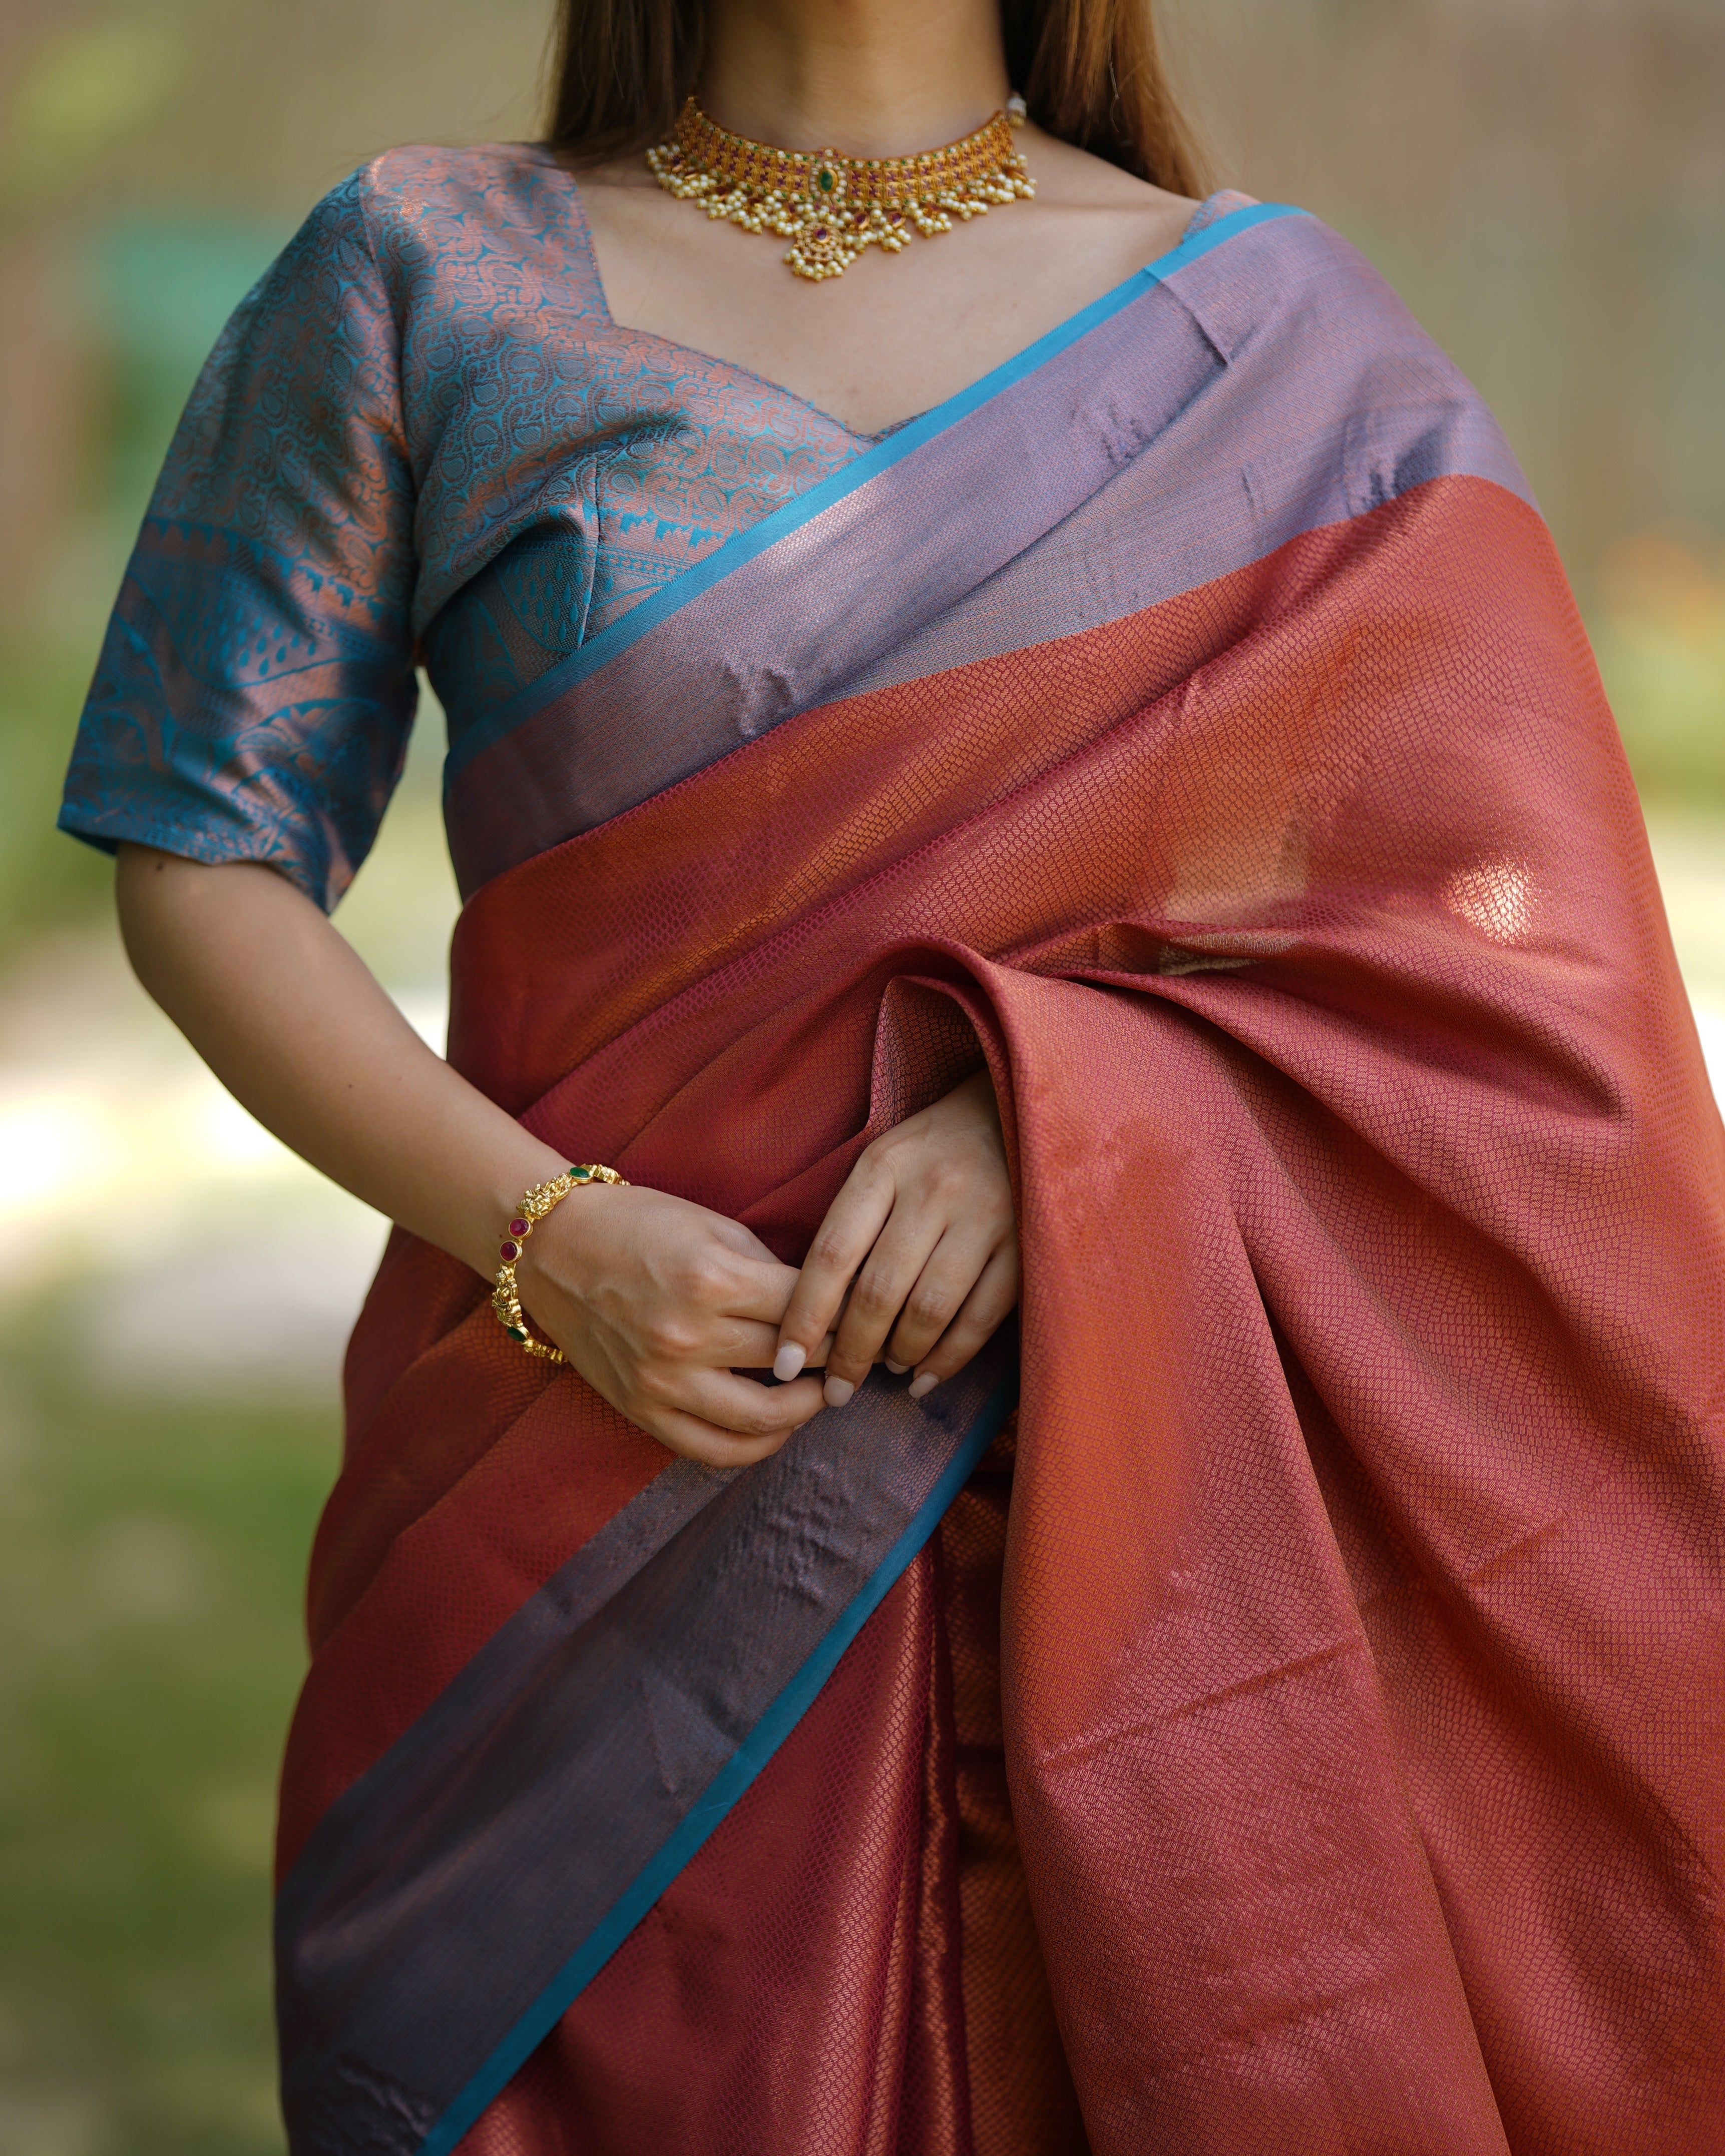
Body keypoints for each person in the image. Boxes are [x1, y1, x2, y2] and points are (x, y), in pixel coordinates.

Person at [58, 0, 1725, 2145]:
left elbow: (1483, 975)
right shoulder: (425, 273)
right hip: (562, 1534)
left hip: (1129, 1546)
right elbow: (205, 854)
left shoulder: (1278, 340)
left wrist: (1073, 1135)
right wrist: (549, 1243)